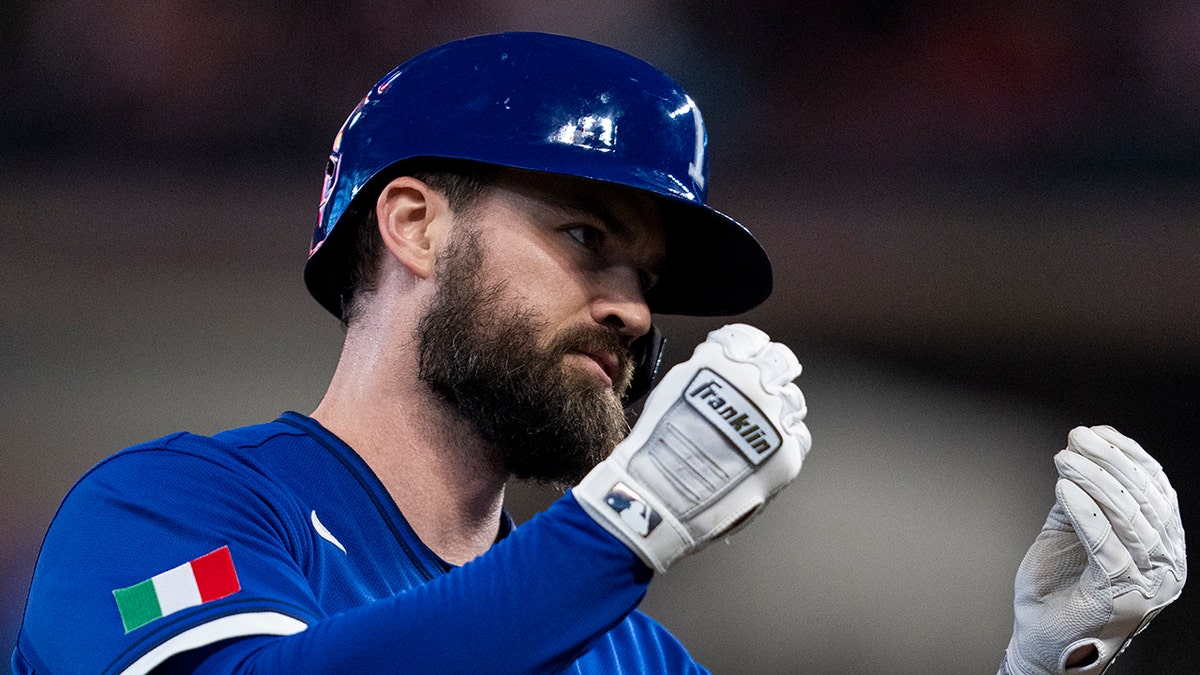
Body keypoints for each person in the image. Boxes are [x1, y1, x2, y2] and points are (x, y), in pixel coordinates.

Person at [11, 32, 1185, 675]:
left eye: (648, 277)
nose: (630, 311)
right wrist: (627, 523)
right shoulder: (174, 515)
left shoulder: (628, 652)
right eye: (584, 238)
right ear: (413, 222)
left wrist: (1039, 674)